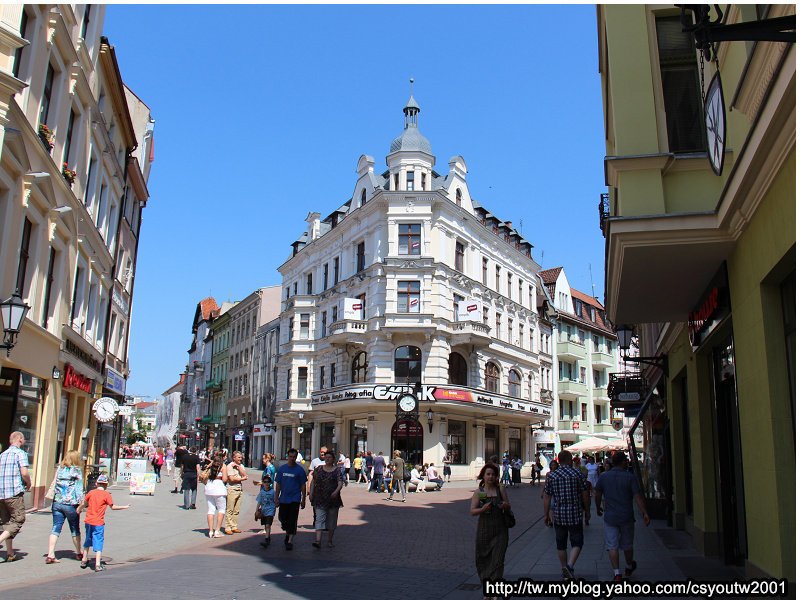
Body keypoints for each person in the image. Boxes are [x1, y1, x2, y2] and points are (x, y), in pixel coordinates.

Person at [595, 452, 650, 581]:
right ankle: (629, 565)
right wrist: (644, 512)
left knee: (612, 545)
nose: (627, 462)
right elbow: (637, 496)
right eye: (626, 460)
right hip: (626, 516)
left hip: (610, 517)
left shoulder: (604, 477)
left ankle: (617, 573)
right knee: (627, 544)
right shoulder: (629, 477)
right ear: (623, 462)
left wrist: (598, 508)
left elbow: (597, 494)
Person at [543, 451, 591, 580]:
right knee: (577, 541)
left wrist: (546, 515)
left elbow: (547, 497)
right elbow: (585, 494)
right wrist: (587, 510)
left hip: (558, 515)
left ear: (558, 460)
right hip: (575, 513)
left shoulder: (552, 475)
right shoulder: (577, 474)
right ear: (570, 460)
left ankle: (565, 569)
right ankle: (569, 566)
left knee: (561, 543)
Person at [470, 463, 511, 595]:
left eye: (493, 474)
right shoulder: (480, 492)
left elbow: (508, 506)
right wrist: (482, 509)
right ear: (483, 475)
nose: (491, 477)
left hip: (500, 530)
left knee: (498, 561)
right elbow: (472, 511)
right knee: (483, 560)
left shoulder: (500, 489)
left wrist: (504, 505)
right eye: (488, 474)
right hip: (484, 530)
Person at [78, 475, 130, 572]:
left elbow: (83, 504)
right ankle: (98, 564)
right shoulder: (107, 495)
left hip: (88, 521)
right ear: (106, 485)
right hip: (98, 522)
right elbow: (113, 507)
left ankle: (84, 560)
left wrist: (79, 509)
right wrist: (125, 507)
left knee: (88, 539)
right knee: (98, 541)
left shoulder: (91, 492)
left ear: (96, 483)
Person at [45, 450, 85, 563]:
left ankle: (50, 554)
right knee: (75, 529)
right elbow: (79, 489)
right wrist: (82, 505)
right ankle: (78, 553)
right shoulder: (76, 470)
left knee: (56, 527)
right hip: (71, 504)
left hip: (57, 502)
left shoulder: (60, 469)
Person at [0, 431, 31, 562]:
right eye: (23, 439)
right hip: (14, 493)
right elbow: (24, 473)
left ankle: (10, 553)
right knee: (19, 519)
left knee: (8, 523)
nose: (24, 441)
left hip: (1, 494)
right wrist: (29, 483)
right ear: (19, 439)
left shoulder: (2, 455)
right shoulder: (20, 453)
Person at [309, 450, 344, 548]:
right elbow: (313, 481)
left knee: (331, 521)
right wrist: (311, 492)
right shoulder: (319, 469)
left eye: (329, 457)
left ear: (333, 459)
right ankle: (318, 541)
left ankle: (329, 540)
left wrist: (335, 492)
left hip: (333, 500)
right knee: (319, 519)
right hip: (319, 498)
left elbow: (340, 482)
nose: (327, 459)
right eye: (326, 457)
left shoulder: (337, 470)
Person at [274, 448, 307, 550]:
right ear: (288, 456)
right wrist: (276, 497)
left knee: (292, 520)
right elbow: (278, 484)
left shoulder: (300, 470)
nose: (292, 459)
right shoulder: (282, 469)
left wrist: (303, 499)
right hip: (284, 498)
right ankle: (287, 529)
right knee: (283, 518)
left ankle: (289, 540)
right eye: (290, 457)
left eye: (294, 457)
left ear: (296, 457)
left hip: (295, 498)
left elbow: (303, 485)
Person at [203, 453, 228, 538]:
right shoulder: (223, 466)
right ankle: (217, 531)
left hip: (209, 487)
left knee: (210, 510)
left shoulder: (211, 465)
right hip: (219, 488)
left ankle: (210, 531)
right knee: (221, 509)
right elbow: (225, 479)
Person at [223, 451, 248, 535]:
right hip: (232, 489)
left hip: (239, 489)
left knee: (236, 510)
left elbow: (245, 475)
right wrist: (242, 478)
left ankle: (234, 526)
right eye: (238, 457)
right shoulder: (229, 466)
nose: (240, 459)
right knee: (230, 509)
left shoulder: (241, 466)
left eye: (241, 457)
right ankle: (228, 527)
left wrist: (238, 467)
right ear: (234, 458)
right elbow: (232, 479)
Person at [255, 474, 276, 548]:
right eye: (265, 482)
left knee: (268, 525)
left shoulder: (273, 492)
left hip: (271, 510)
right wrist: (257, 510)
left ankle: (267, 539)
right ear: (263, 483)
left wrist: (277, 504)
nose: (266, 483)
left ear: (270, 483)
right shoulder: (262, 492)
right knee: (265, 525)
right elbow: (259, 501)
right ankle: (268, 537)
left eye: (268, 482)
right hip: (264, 511)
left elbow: (276, 501)